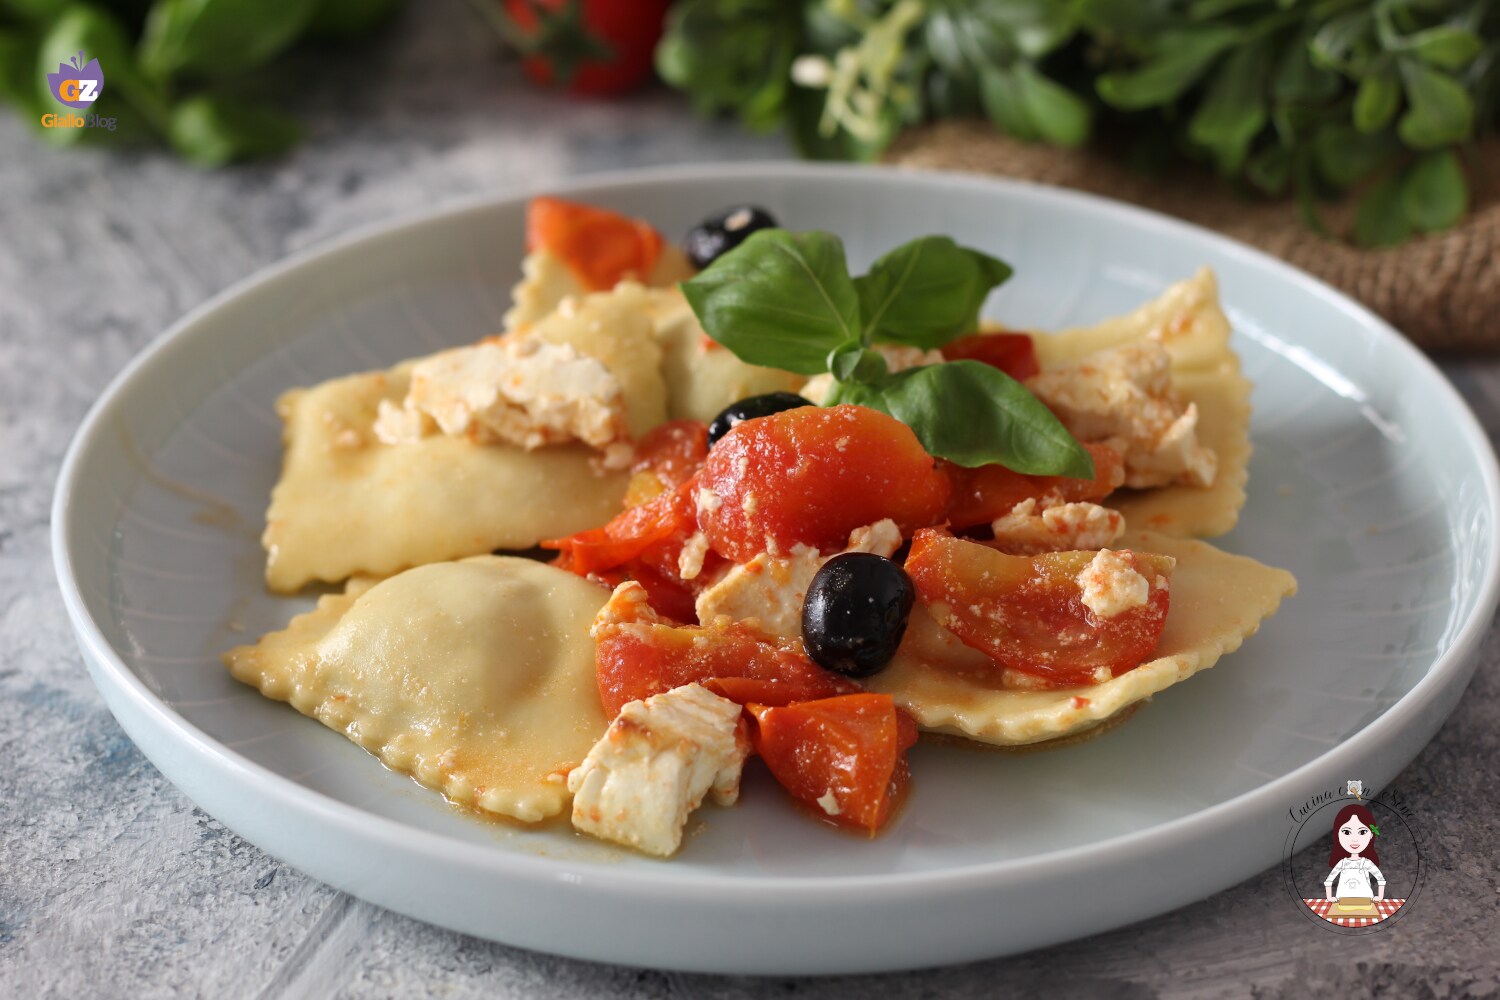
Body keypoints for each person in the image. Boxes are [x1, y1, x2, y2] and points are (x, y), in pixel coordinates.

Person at [1324, 803, 1386, 902]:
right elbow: (1328, 881)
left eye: (1362, 832)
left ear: (1371, 835)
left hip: (1365, 901)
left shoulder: (1366, 863)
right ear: (1338, 835)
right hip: (1343, 902)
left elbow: (1381, 879)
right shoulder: (1342, 863)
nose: (1354, 839)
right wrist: (1330, 897)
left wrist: (1379, 897)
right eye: (1347, 832)